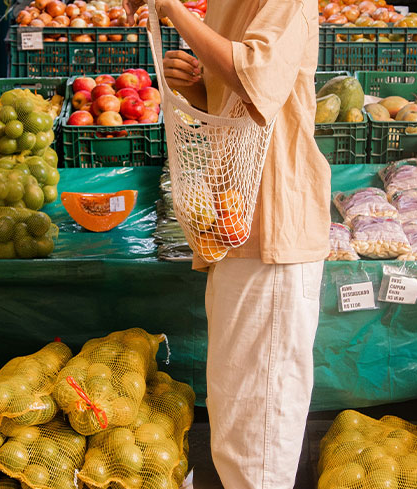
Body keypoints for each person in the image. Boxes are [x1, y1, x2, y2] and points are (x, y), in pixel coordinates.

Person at [123, 0, 331, 488]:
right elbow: (238, 107)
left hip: (272, 237)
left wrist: (174, 10)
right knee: (238, 412)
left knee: (259, 428)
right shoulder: (224, 4)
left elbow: (257, 75)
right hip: (238, 229)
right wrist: (195, 86)